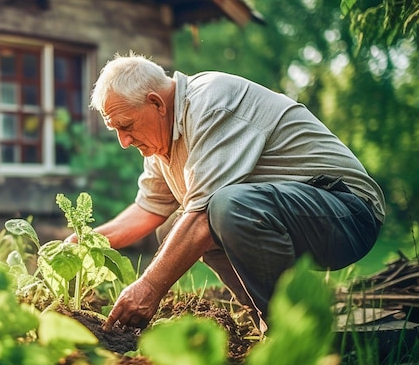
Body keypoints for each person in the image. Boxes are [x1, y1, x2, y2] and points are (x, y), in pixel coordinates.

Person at [74, 51, 385, 332]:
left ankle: (291, 332)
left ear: (156, 103)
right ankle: (272, 320)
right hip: (299, 220)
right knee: (173, 228)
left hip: (349, 212)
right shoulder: (162, 141)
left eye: (126, 126)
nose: (123, 141)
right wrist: (83, 242)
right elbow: (149, 210)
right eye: (116, 130)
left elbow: (202, 217)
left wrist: (148, 288)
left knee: (222, 207)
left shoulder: (211, 102)